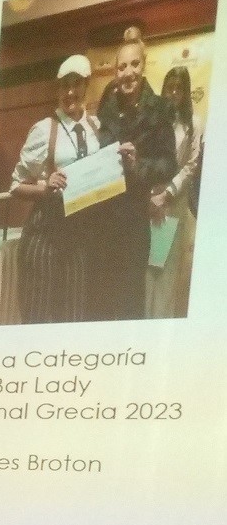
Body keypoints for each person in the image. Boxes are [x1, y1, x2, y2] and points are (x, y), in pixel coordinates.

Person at [9, 54, 104, 324]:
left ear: (87, 85)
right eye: (64, 85)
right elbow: (15, 185)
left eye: (76, 84)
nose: (70, 92)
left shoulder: (97, 127)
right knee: (39, 315)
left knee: (74, 315)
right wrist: (45, 186)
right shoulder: (44, 130)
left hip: (81, 236)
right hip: (45, 235)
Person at [95, 27, 177, 321]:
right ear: (115, 72)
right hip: (102, 216)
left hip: (133, 218)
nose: (128, 72)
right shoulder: (107, 104)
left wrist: (137, 165)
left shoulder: (159, 109)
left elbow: (169, 164)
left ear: (143, 66)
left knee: (130, 300)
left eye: (134, 64)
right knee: (101, 299)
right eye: (121, 66)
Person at [148, 64, 203, 318]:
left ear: (186, 92)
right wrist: (151, 195)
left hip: (173, 202)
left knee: (166, 271)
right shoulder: (155, 119)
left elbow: (191, 166)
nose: (172, 93)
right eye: (169, 88)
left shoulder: (193, 123)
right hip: (149, 202)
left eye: (178, 89)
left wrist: (167, 193)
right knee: (148, 270)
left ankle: (162, 327)